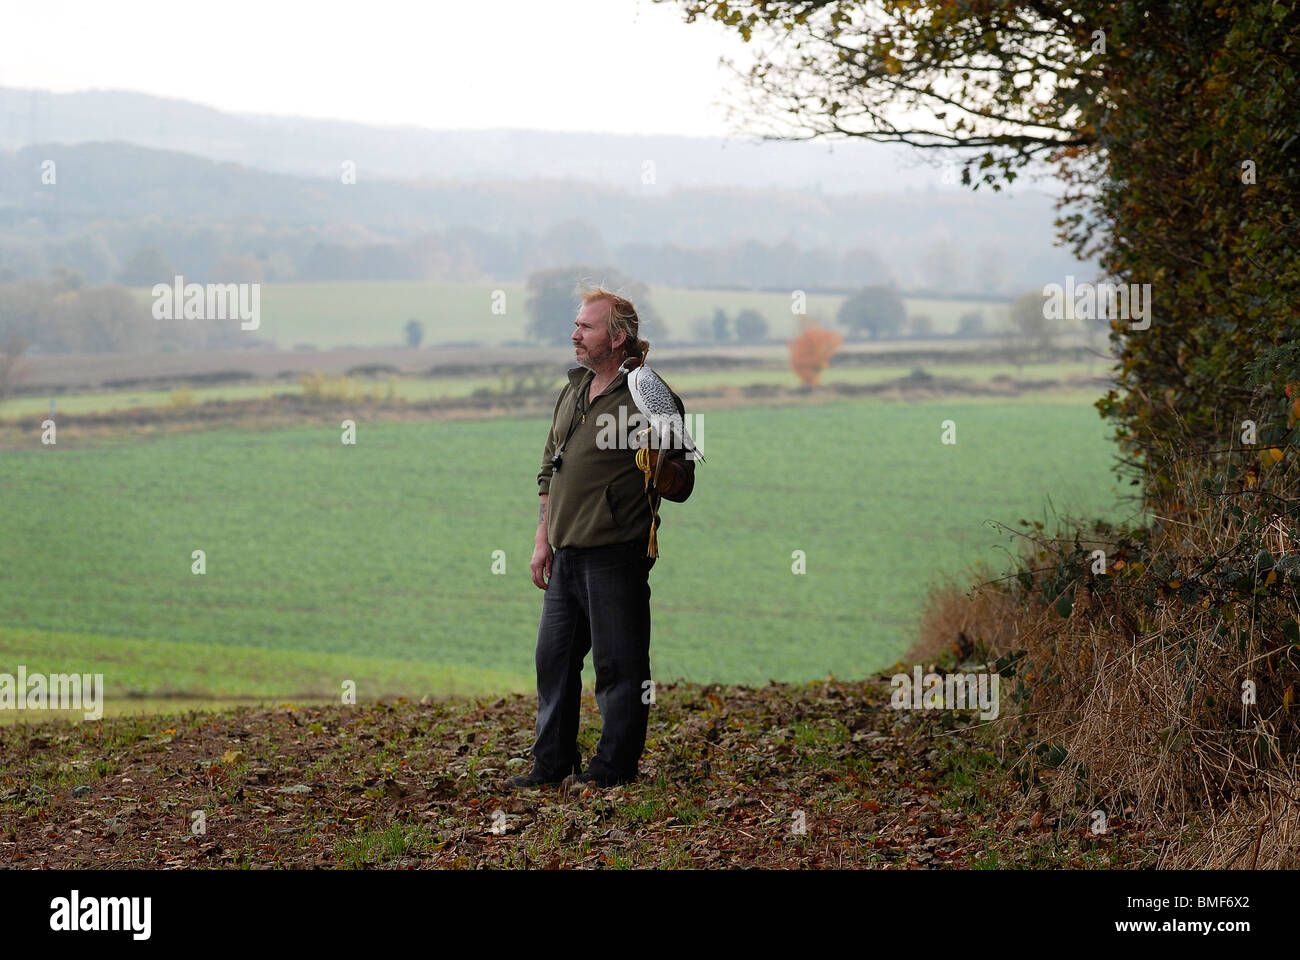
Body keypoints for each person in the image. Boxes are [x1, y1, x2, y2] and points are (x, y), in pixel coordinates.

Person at [506, 285, 696, 791]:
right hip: (565, 554)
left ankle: (612, 771)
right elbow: (551, 470)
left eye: (586, 327)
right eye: (576, 325)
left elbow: (683, 480)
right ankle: (551, 768)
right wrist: (541, 540)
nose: (575, 335)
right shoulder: (573, 390)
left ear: (617, 338)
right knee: (554, 663)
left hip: (616, 554)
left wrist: (662, 471)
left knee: (619, 668)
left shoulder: (647, 392)